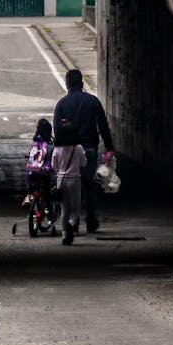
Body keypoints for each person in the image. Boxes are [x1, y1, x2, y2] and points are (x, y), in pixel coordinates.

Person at [52, 69, 114, 233]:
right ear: (82, 83)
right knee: (89, 187)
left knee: (70, 189)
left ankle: (73, 221)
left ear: (67, 84)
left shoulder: (62, 104)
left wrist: (58, 152)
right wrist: (109, 147)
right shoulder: (93, 101)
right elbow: (103, 126)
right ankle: (91, 220)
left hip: (68, 152)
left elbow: (57, 130)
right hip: (89, 150)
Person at [51, 122, 86, 245]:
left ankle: (65, 236)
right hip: (75, 180)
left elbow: (53, 166)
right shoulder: (79, 148)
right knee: (74, 209)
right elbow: (84, 164)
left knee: (64, 210)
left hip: (61, 180)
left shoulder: (57, 149)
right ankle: (71, 224)